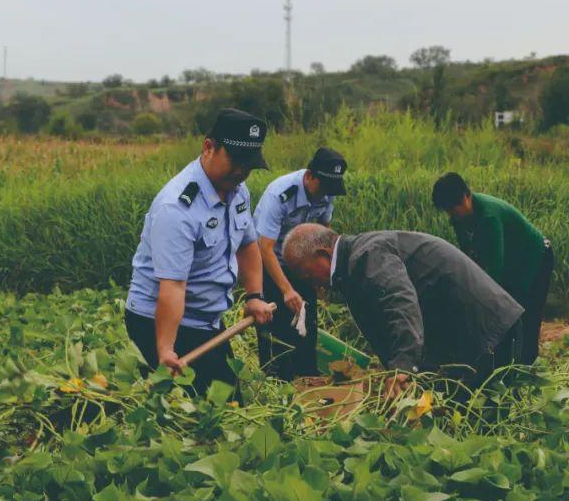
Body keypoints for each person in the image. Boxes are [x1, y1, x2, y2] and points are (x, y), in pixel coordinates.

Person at [125, 108, 276, 396]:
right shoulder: (177, 209)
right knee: (196, 412)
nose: (242, 171)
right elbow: (172, 286)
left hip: (205, 318)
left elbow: (247, 244)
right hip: (160, 320)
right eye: (236, 161)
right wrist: (165, 349)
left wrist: (254, 296)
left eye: (249, 164)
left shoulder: (237, 189)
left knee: (227, 400)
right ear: (209, 147)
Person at [281, 223, 525, 394]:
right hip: (475, 333)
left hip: (488, 332)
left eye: (308, 274)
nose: (311, 284)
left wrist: (403, 367)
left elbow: (400, 303)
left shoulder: (367, 256)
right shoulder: (356, 261)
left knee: (474, 424)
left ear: (323, 254)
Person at [430, 172, 554, 365]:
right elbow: (469, 258)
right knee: (504, 310)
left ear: (465, 197)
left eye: (453, 209)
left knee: (525, 313)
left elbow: (494, 270)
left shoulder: (489, 217)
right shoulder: (458, 219)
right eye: (448, 211)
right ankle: (504, 359)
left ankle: (527, 366)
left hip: (536, 257)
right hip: (512, 261)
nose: (451, 215)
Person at [252, 147, 348, 379]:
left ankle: (306, 376)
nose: (326, 194)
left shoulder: (327, 191)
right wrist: (286, 290)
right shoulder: (280, 194)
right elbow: (263, 248)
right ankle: (275, 378)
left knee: (307, 318)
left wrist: (325, 272)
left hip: (300, 260)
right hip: (269, 261)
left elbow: (325, 230)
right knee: (274, 323)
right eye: (322, 187)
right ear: (309, 176)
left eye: (330, 189)